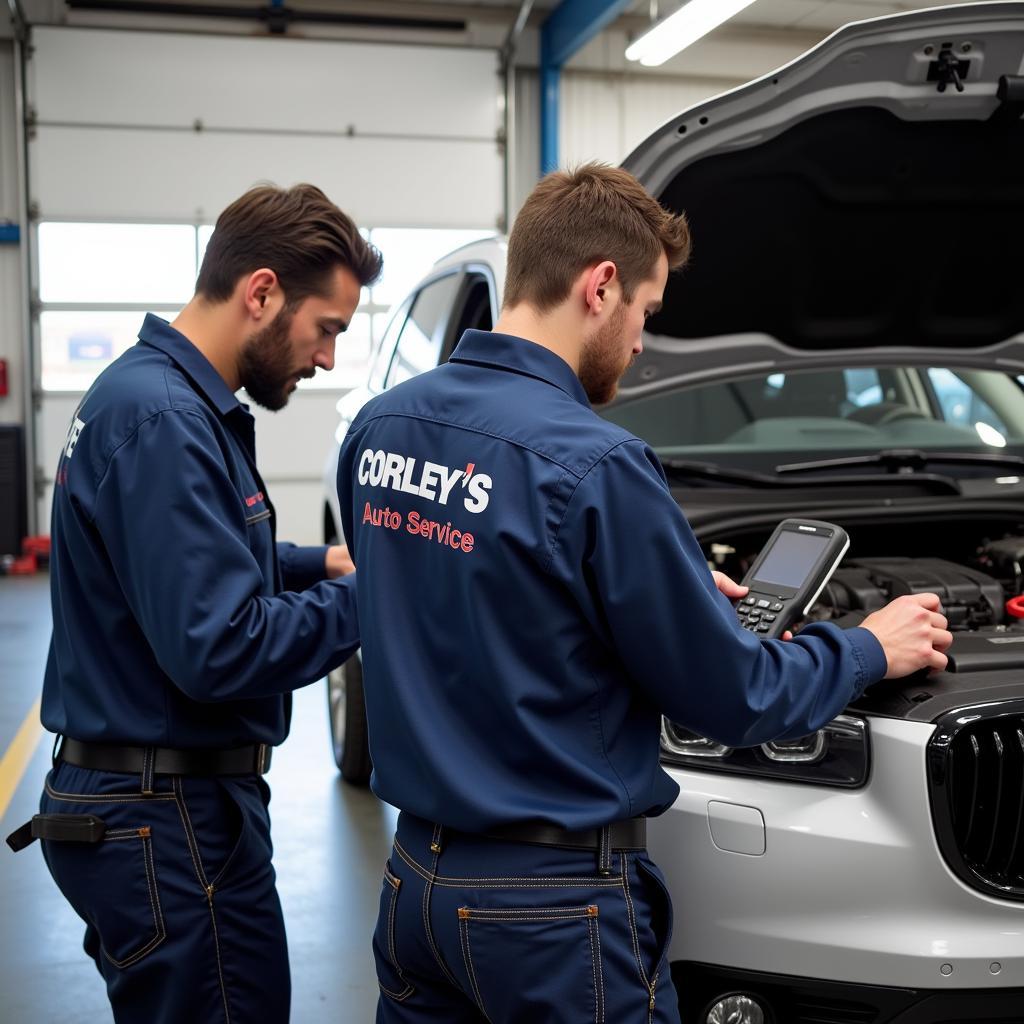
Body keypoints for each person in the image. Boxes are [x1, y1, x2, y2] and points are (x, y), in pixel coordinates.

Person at [335, 164, 952, 1023]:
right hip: (551, 917)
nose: (640, 344)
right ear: (601, 286)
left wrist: (644, 580)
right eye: (647, 315)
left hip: (417, 892)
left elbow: (452, 583)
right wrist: (869, 645)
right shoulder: (598, 464)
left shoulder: (380, 428)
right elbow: (735, 695)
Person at [6, 183, 381, 1022]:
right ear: (261, 293)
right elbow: (224, 645)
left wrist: (321, 563)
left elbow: (197, 565)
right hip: (166, 820)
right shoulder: (165, 421)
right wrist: (379, 599)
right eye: (328, 329)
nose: (327, 359)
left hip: (155, 807)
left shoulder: (154, 398)